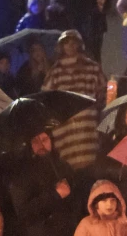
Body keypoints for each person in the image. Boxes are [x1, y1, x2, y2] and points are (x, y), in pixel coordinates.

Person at [44, 30, 106, 175]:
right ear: (61, 47)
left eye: (74, 43)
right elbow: (47, 99)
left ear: (79, 45)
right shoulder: (55, 72)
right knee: (70, 171)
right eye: (67, 43)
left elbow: (103, 91)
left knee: (91, 169)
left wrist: (94, 106)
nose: (71, 46)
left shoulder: (92, 67)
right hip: (65, 129)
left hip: (88, 127)